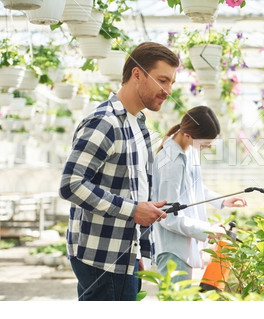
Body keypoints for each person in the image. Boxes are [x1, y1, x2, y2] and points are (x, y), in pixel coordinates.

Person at [59, 42, 179, 301]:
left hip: (123, 255)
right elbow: (71, 184)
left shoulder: (138, 124)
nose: (168, 91)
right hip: (102, 258)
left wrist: (136, 251)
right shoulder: (106, 121)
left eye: (172, 83)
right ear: (137, 74)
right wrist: (134, 210)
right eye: (162, 80)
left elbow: (131, 189)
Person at [151, 106, 247, 283]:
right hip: (174, 252)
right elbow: (168, 216)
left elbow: (194, 188)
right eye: (205, 143)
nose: (208, 146)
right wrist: (209, 230)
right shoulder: (171, 163)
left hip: (184, 249)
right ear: (188, 135)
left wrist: (223, 200)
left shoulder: (189, 150)